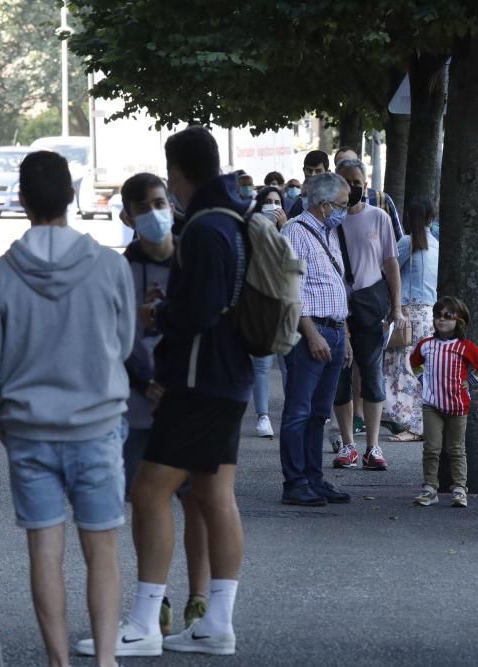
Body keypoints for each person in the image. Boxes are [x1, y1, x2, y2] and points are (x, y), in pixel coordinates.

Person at [0, 151, 134, 667]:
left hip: (30, 433)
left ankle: (58, 661)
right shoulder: (108, 265)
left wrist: (1, 419)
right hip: (98, 426)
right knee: (101, 549)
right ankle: (105, 659)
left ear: (22, 199)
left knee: (45, 551)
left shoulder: (0, 274)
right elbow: (123, 344)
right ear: (70, 195)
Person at [92, 127, 252, 657]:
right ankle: (215, 622)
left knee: (148, 492)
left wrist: (158, 313)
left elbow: (198, 311)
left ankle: (142, 623)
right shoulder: (236, 219)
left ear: (178, 171)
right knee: (212, 494)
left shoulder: (205, 229)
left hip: (196, 379)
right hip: (229, 377)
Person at [117, 172, 210, 636]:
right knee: (144, 500)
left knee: (196, 500)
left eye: (163, 202)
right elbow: (113, 334)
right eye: (147, 205)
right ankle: (156, 599)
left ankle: (198, 597)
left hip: (188, 396)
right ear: (127, 216)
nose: (158, 213)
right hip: (139, 401)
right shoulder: (122, 268)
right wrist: (144, 381)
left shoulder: (193, 260)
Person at [277, 171, 354, 506]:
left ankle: (313, 477)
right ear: (324, 206)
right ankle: (295, 482)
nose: (345, 210)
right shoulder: (295, 232)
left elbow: (335, 286)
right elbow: (290, 291)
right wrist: (310, 333)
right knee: (299, 410)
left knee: (320, 412)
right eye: (341, 204)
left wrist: (345, 336)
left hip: (334, 330)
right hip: (312, 332)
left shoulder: (329, 232)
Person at [330, 159, 405, 472]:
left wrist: (396, 308)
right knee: (341, 377)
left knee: (372, 375)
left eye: (358, 180)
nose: (354, 186)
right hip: (336, 307)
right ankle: (348, 444)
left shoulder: (379, 217)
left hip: (370, 306)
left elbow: (390, 263)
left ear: (366, 181)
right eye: (347, 181)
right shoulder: (330, 220)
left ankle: (373, 447)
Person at [409, 296, 478, 508]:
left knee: (456, 449)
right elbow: (414, 362)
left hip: (458, 405)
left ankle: (460, 488)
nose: (441, 320)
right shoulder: (426, 345)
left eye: (448, 316)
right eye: (438, 316)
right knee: (432, 448)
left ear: (459, 321)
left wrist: (470, 382)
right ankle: (429, 487)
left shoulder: (464, 347)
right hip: (432, 404)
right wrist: (423, 381)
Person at [381, 197, 439, 443]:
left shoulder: (407, 242)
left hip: (407, 312)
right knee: (420, 368)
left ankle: (408, 422)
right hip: (429, 313)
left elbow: (388, 270)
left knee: (401, 367)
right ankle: (419, 422)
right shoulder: (436, 244)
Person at [250, 186, 289, 438]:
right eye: (268, 202)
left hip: (287, 308)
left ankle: (291, 413)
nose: (273, 207)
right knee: (261, 366)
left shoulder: (291, 230)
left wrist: (283, 228)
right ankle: (263, 416)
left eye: (277, 202)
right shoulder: (250, 233)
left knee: (288, 365)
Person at [332, 147, 404, 240]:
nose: (350, 167)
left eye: (353, 162)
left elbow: (399, 239)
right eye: (343, 164)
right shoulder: (329, 205)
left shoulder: (381, 199)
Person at [286, 150, 331, 218]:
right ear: (304, 170)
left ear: (327, 173)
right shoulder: (299, 202)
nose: (313, 175)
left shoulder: (336, 199)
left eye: (318, 171)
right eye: (309, 171)